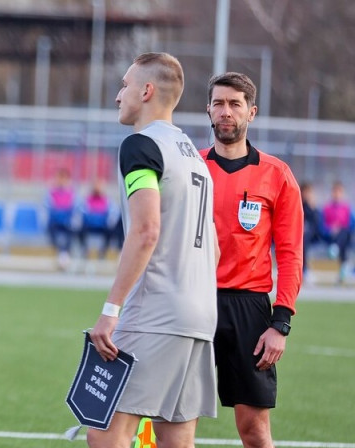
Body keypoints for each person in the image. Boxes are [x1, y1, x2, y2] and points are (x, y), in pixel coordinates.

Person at [87, 52, 219, 448]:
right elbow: (213, 246)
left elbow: (146, 231)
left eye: (124, 85)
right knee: (176, 437)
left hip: (156, 311)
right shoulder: (195, 155)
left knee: (105, 432)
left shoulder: (140, 147)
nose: (118, 96)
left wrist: (111, 311)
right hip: (199, 314)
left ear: (146, 91)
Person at [200, 72, 303, 448]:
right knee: (174, 421)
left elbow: (291, 254)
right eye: (219, 103)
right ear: (207, 110)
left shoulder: (277, 175)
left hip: (250, 309)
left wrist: (281, 322)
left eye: (235, 104)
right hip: (195, 302)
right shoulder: (190, 169)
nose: (226, 112)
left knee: (254, 430)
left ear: (251, 112)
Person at [45, 167, 76, 270]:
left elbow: (73, 208)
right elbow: (49, 207)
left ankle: (64, 253)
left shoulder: (71, 193)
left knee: (72, 230)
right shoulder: (51, 193)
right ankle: (62, 253)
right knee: (51, 229)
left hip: (67, 222)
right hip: (54, 222)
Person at [322, 181, 352, 284]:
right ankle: (343, 267)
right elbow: (322, 225)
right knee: (341, 238)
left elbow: (349, 224)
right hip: (330, 236)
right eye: (335, 192)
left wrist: (339, 228)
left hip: (344, 234)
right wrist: (331, 229)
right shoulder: (327, 208)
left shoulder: (346, 208)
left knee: (343, 233)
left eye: (339, 192)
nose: (337, 194)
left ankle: (335, 248)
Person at [300, 182, 322, 278]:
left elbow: (317, 222)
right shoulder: (299, 204)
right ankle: (303, 269)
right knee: (302, 240)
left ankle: (305, 270)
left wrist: (312, 207)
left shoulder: (313, 207)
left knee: (304, 240)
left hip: (313, 234)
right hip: (301, 233)